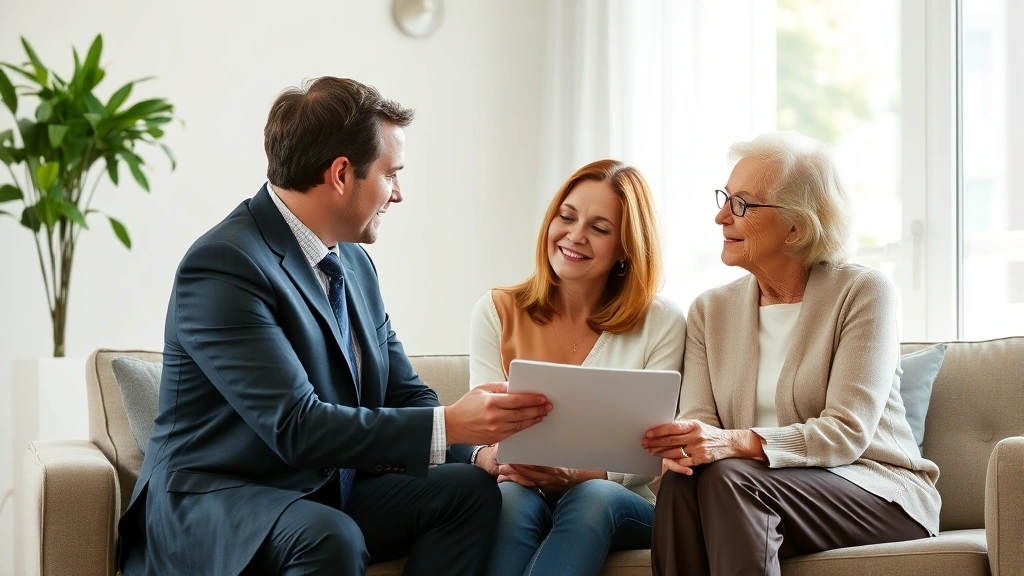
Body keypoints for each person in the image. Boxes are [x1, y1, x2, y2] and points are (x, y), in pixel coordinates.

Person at [117, 77, 553, 576]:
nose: (399, 195)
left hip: (317, 492)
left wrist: (479, 453)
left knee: (468, 492)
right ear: (342, 174)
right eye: (391, 175)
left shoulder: (353, 265)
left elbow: (403, 391)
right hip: (219, 500)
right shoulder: (224, 264)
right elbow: (295, 426)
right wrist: (454, 421)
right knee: (330, 536)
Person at [643, 131, 940, 575]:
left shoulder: (862, 293)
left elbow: (846, 431)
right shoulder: (710, 310)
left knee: (730, 477)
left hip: (877, 490)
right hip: (752, 490)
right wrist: (684, 448)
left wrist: (737, 442)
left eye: (741, 204)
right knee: (681, 484)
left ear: (796, 226)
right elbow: (701, 421)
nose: (721, 216)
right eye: (725, 197)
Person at [468, 159, 686, 576]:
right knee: (510, 497)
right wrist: (495, 457)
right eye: (566, 218)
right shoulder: (496, 311)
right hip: (522, 484)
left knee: (593, 496)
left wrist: (575, 475)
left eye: (599, 229)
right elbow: (479, 423)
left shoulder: (662, 321)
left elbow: (655, 448)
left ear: (626, 246)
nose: (574, 235)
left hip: (623, 501)